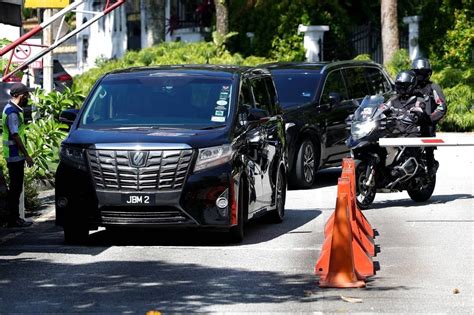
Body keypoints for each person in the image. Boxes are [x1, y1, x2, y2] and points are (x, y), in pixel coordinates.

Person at [2, 83, 34, 228]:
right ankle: (13, 219)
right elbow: (15, 135)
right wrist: (27, 155)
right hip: (15, 155)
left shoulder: (11, 109)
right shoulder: (12, 113)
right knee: (15, 189)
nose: (27, 97)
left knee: (16, 188)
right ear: (21, 96)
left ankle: (14, 218)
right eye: (26, 95)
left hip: (14, 155)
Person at [411, 58, 447, 175]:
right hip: (408, 124)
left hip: (427, 125)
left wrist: (430, 118)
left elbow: (441, 106)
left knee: (428, 148)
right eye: (417, 73)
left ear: (428, 73)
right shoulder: (410, 86)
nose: (419, 76)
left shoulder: (433, 87)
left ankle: (431, 168)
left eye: (422, 73)